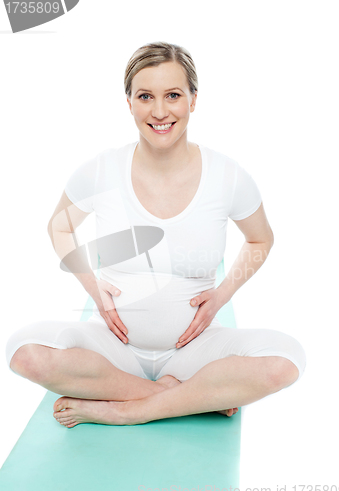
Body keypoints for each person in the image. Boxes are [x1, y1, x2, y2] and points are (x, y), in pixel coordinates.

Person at [5, 41, 306, 427]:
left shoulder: (228, 176)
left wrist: (221, 295)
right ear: (128, 102)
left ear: (193, 100)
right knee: (23, 353)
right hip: (113, 347)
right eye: (145, 96)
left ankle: (125, 410)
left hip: (196, 350)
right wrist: (92, 287)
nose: (160, 111)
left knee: (286, 360)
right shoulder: (102, 169)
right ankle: (184, 398)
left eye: (173, 95)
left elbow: (261, 239)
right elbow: (59, 226)